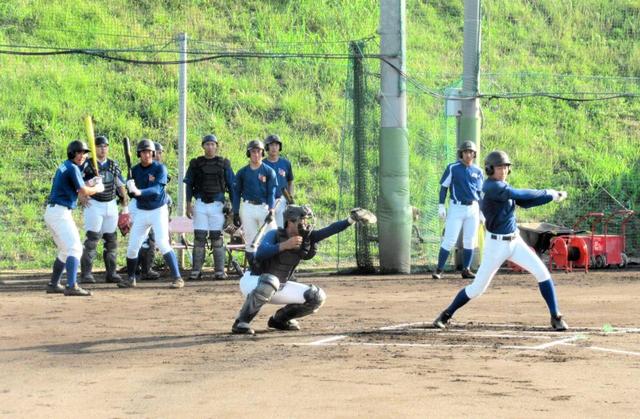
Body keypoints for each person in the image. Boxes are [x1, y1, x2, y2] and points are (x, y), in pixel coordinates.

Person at [433, 150, 569, 331]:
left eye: (506, 167)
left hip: (515, 241)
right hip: (496, 246)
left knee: (543, 273)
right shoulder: (491, 187)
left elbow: (525, 202)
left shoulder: (502, 186)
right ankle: (446, 314)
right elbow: (519, 194)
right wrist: (549, 192)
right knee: (476, 289)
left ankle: (556, 316)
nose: (503, 170)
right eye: (499, 167)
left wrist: (550, 198)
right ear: (490, 169)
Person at [231, 205, 377, 335]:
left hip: (278, 286)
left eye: (306, 220)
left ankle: (279, 320)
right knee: (271, 280)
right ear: (290, 221)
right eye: (302, 220)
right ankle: (241, 322)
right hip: (253, 281)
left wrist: (350, 220)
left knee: (316, 296)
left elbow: (330, 230)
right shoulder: (275, 234)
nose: (306, 223)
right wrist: (284, 245)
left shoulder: (306, 237)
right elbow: (261, 253)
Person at [118, 139, 184, 289]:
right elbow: (133, 195)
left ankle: (178, 278)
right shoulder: (134, 170)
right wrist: (130, 188)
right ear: (139, 154)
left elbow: (157, 190)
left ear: (153, 153)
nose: (146, 154)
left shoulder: (160, 168)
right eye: (143, 152)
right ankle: (130, 278)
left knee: (162, 242)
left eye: (149, 152)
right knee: (133, 246)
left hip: (158, 210)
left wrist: (139, 191)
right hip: (142, 211)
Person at [44, 140, 105, 296]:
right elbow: (83, 191)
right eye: (78, 152)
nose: (82, 156)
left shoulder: (67, 166)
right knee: (75, 248)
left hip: (53, 212)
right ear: (71, 153)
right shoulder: (72, 168)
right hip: (60, 213)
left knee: (65, 251)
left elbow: (78, 185)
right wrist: (97, 187)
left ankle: (53, 284)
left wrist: (91, 182)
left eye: (84, 153)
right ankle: (71, 286)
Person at [184, 133, 235, 280]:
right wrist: (188, 204)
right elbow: (189, 185)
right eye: (207, 144)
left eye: (213, 144)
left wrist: (232, 209)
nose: (210, 147)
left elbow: (231, 186)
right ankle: (196, 270)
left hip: (218, 206)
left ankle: (219, 271)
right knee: (199, 238)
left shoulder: (224, 164)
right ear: (203, 146)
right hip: (200, 205)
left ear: (216, 146)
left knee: (217, 238)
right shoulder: (195, 163)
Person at [78, 135, 128, 284]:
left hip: (111, 204)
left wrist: (124, 200)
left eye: (105, 146)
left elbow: (120, 184)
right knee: (92, 239)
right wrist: (80, 195)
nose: (103, 149)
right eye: (99, 146)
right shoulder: (87, 164)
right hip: (94, 204)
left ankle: (111, 273)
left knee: (111, 240)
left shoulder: (113, 164)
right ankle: (86, 274)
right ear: (94, 148)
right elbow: (77, 181)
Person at [433, 140, 484, 280]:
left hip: (473, 207)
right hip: (456, 207)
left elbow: (480, 193)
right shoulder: (453, 168)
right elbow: (444, 187)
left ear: (474, 154)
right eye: (466, 152)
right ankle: (439, 269)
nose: (468, 155)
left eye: (471, 152)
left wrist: (482, 212)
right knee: (449, 240)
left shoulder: (478, 171)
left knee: (470, 240)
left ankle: (466, 269)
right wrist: (441, 205)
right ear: (461, 154)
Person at [232, 139, 278, 264]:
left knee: (272, 234)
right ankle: (253, 267)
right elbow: (236, 193)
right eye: (253, 152)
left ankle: (271, 266)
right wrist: (235, 211)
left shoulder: (269, 171)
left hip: (264, 207)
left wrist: (271, 209)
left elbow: (271, 193)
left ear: (262, 153)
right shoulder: (242, 172)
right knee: (250, 239)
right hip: (248, 207)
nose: (256, 154)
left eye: (258, 151)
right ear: (249, 153)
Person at [262, 134, 294, 228]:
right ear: (267, 147)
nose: (274, 148)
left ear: (280, 147)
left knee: (280, 228)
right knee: (267, 229)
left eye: (276, 145)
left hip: (281, 200)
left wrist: (290, 198)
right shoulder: (262, 164)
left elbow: (290, 181)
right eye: (271, 145)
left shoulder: (286, 163)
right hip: (266, 201)